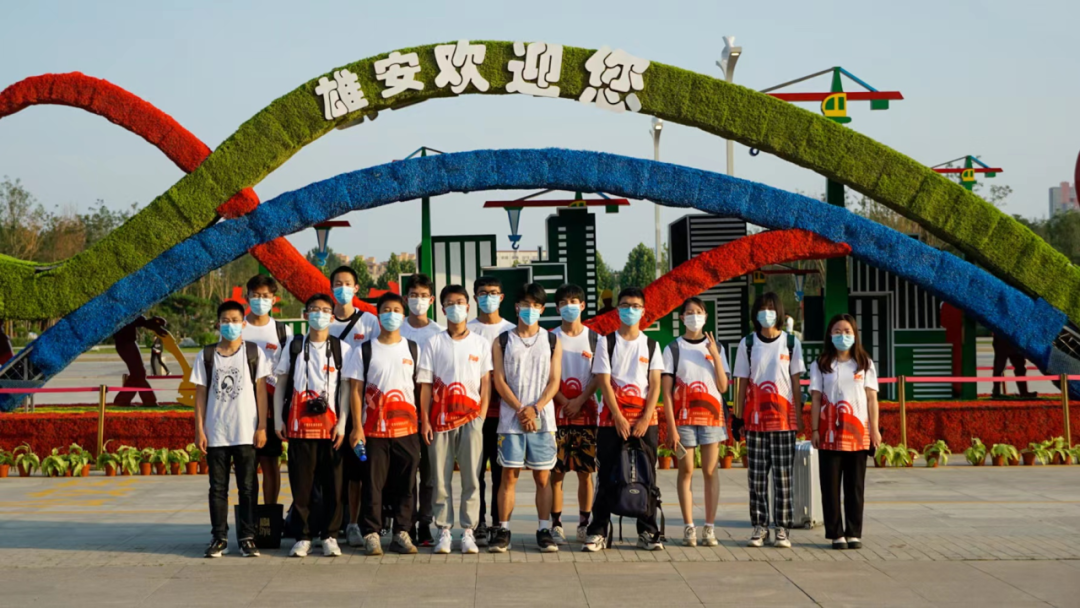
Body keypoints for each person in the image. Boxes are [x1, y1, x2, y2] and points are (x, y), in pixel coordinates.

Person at [584, 287, 665, 552]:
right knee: (607, 474)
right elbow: (604, 381)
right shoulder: (606, 342)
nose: (631, 310)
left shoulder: (651, 345)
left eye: (636, 306)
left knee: (646, 474)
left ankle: (648, 531)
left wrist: (645, 418)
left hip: (645, 423)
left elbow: (655, 384)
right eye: (626, 305)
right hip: (612, 422)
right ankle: (598, 531)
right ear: (618, 309)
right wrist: (618, 417)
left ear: (643, 311)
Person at [273, 293, 352, 558]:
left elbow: (346, 390)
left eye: (325, 310)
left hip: (331, 429)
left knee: (334, 486)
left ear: (332, 316)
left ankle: (330, 535)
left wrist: (343, 424)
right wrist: (278, 419)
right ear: (306, 315)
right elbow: (281, 383)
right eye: (314, 310)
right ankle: (303, 536)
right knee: (301, 485)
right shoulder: (294, 346)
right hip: (299, 427)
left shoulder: (342, 349)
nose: (320, 314)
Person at [488, 283, 563, 553]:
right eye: (525, 304)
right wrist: (521, 409)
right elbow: (499, 380)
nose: (530, 309)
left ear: (542, 309)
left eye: (536, 305)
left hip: (543, 421)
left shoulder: (552, 341)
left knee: (543, 477)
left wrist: (536, 409)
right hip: (511, 421)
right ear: (516, 307)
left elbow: (554, 381)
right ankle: (503, 530)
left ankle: (544, 529)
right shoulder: (502, 341)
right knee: (508, 476)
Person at [192, 300, 270, 558]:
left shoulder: (254, 353)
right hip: (216, 432)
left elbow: (261, 392)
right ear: (218, 324)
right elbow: (200, 394)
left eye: (235, 320)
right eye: (225, 321)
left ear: (243, 324)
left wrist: (262, 426)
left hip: (245, 431)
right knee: (217, 488)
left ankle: (248, 538)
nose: (230, 325)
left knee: (248, 488)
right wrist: (199, 429)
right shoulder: (206, 355)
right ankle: (219, 538)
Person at [345, 292, 421, 556]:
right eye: (386, 310)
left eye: (396, 310)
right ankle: (371, 533)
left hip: (407, 430)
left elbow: (419, 388)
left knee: (407, 483)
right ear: (379, 316)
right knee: (372, 484)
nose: (391, 315)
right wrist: (357, 427)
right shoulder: (364, 350)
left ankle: (402, 532)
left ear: (403, 315)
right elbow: (356, 391)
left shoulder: (413, 348)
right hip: (373, 431)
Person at [418, 284, 493, 554]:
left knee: (472, 477)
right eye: (450, 303)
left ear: (468, 307)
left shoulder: (480, 343)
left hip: (471, 418)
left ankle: (469, 530)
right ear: (442, 309)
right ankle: (444, 530)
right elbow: (426, 384)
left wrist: (481, 416)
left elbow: (486, 382)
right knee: (440, 478)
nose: (455, 307)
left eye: (460, 302)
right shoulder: (434, 342)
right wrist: (425, 420)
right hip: (439, 419)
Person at [732, 292, 806, 549]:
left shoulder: (791, 343)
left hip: (784, 421)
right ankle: (760, 526)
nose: (767, 313)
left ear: (780, 312)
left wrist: (800, 417)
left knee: (783, 478)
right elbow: (741, 382)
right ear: (756, 313)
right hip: (755, 422)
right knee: (757, 479)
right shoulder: (748, 343)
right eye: (762, 309)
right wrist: (738, 417)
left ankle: (782, 528)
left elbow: (796, 382)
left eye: (771, 309)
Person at [662, 297, 730, 547]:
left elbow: (723, 386)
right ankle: (689, 526)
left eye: (698, 312)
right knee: (686, 470)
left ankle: (709, 527)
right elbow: (666, 392)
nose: (694, 316)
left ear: (706, 316)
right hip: (684, 419)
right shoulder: (673, 348)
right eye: (689, 312)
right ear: (682, 318)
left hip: (712, 418)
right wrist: (671, 427)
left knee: (710, 471)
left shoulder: (717, 347)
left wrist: (715, 356)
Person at [810, 314, 880, 550]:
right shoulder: (821, 364)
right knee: (830, 487)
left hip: (858, 434)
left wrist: (874, 430)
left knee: (855, 486)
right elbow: (816, 398)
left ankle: (853, 532)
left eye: (847, 331)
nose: (843, 336)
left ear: (855, 334)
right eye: (838, 331)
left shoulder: (864, 363)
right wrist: (814, 429)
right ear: (830, 335)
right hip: (828, 433)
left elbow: (872, 399)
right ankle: (836, 533)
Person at [327, 265, 380, 548]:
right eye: (338, 283)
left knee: (360, 470)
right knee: (333, 470)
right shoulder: (324, 320)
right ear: (331, 288)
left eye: (347, 283)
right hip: (330, 407)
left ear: (356, 288)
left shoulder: (369, 322)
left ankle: (355, 524)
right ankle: (329, 524)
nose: (342, 288)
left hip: (361, 408)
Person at [550, 283, 601, 545]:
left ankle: (584, 523)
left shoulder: (595, 339)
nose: (569, 306)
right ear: (557, 308)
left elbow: (600, 375)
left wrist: (580, 400)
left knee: (585, 473)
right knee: (556, 473)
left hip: (587, 415)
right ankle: (556, 525)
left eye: (573, 301)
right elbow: (546, 375)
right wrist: (563, 401)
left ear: (582, 305)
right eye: (563, 302)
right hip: (556, 416)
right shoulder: (550, 338)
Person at [466, 276, 515, 544]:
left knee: (500, 472)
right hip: (474, 414)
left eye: (493, 293)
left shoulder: (511, 330)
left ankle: (498, 523)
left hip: (504, 414)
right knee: (474, 473)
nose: (488, 297)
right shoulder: (468, 330)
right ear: (475, 298)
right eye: (483, 293)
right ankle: (478, 523)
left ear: (502, 297)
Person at [399, 273, 445, 547]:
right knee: (405, 473)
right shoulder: (395, 330)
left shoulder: (438, 333)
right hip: (401, 411)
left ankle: (426, 523)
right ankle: (404, 523)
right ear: (406, 299)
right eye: (414, 296)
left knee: (429, 473)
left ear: (432, 300)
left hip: (431, 412)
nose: (418, 300)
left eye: (424, 296)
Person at [241, 274, 293, 506]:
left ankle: (270, 516)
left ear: (274, 299)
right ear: (247, 297)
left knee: (271, 464)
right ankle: (249, 516)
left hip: (272, 407)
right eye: (255, 296)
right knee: (247, 466)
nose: (260, 300)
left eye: (265, 296)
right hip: (243, 407)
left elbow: (288, 371)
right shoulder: (238, 328)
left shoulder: (283, 331)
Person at [991, 333, 1033, 399]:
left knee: (1019, 367)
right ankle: (996, 391)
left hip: (1011, 341)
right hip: (1006, 341)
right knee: (1000, 367)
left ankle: (1023, 391)